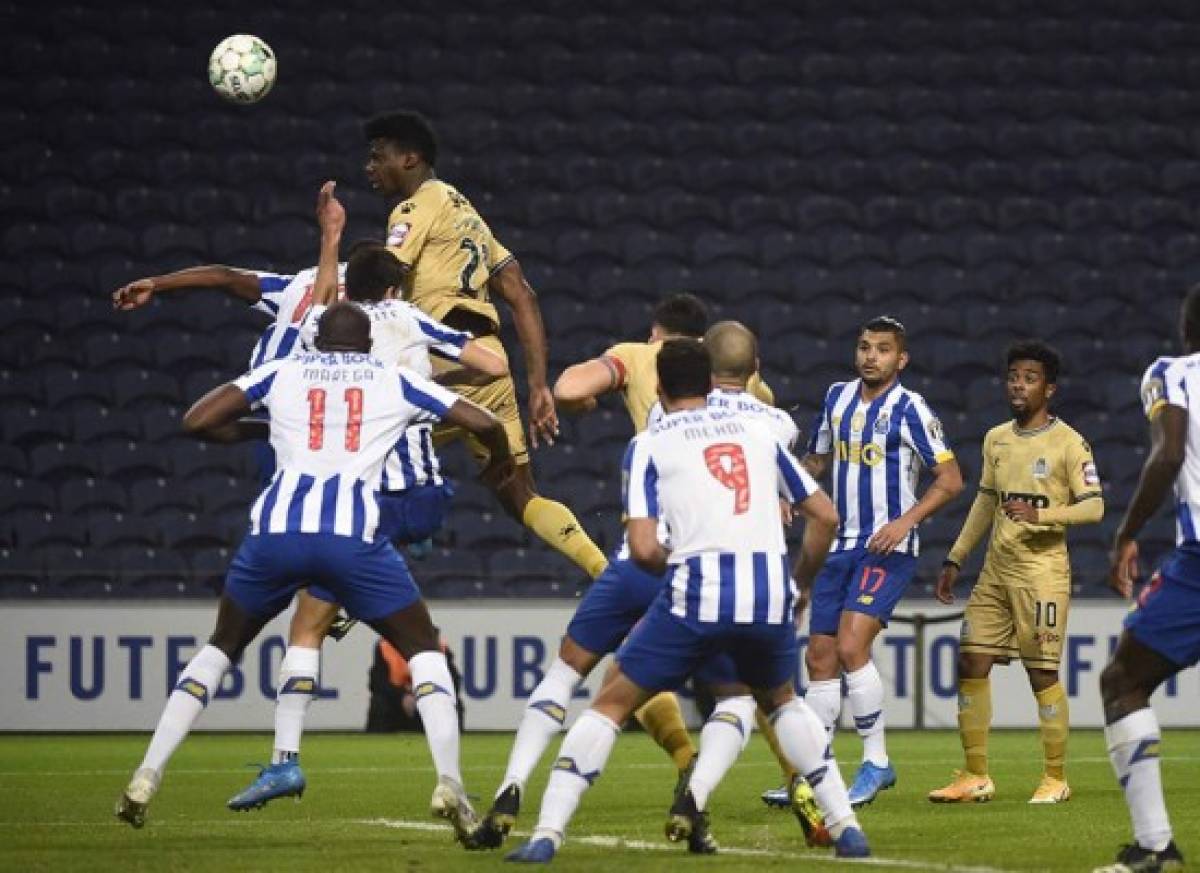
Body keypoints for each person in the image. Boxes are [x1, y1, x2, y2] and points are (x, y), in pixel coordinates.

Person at [115, 302, 513, 846]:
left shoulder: (284, 371)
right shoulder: (391, 377)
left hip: (274, 536)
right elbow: (484, 421)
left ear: (316, 339)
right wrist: (497, 462)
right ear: (369, 340)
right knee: (422, 647)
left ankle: (147, 773)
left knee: (222, 646)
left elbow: (197, 420)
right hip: (352, 540)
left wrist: (265, 428)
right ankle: (450, 783)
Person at [504, 339, 868, 864]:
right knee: (782, 700)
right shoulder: (759, 434)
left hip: (696, 595)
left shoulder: (650, 443)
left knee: (610, 703)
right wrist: (800, 581)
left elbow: (647, 546)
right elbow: (826, 516)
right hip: (766, 596)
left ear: (659, 387)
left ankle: (546, 834)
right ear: (710, 382)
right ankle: (847, 828)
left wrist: (678, 565)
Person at [225, 183, 508, 811]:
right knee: (388, 627)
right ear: (395, 286)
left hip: (362, 506)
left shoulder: (325, 337)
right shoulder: (407, 320)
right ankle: (444, 775)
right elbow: (491, 364)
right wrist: (428, 379)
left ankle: (285, 761)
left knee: (307, 620)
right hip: (423, 493)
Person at [558, 300, 800, 811]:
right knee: (758, 690)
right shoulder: (764, 404)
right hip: (738, 551)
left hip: (671, 550)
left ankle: (553, 815)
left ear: (657, 336)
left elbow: (570, 389)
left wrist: (579, 402)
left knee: (617, 684)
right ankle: (799, 783)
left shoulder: (639, 363)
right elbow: (791, 492)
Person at [364, 109, 608, 581]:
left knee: (351, 455)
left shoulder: (414, 208)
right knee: (521, 497)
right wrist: (536, 386)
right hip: (490, 363)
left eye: (378, 158)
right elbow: (522, 293)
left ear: (410, 158)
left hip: (440, 364)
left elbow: (383, 277)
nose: (369, 168)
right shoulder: (467, 214)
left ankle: (351, 594)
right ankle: (605, 571)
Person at [930, 341, 1104, 805]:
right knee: (970, 661)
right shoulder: (996, 439)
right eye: (1013, 376)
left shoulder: (1069, 442)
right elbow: (986, 500)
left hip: (1042, 573)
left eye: (1029, 377)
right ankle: (975, 775)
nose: (1018, 385)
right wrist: (956, 557)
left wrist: (1041, 517)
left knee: (1041, 672)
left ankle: (1055, 777)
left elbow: (1095, 507)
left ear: (1049, 387)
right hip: (995, 571)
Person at [801, 315, 963, 807]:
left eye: (883, 349)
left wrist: (905, 521)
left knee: (852, 647)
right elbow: (817, 460)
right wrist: (795, 488)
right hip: (839, 546)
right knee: (820, 657)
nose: (871, 356)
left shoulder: (911, 408)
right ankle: (818, 774)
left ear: (901, 358)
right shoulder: (836, 398)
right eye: (866, 347)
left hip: (886, 548)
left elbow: (951, 479)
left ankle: (876, 762)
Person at [1091, 290, 1199, 873]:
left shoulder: (1172, 374)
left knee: (1123, 680)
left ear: (1187, 327)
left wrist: (1126, 533)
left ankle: (1154, 846)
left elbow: (1169, 454)